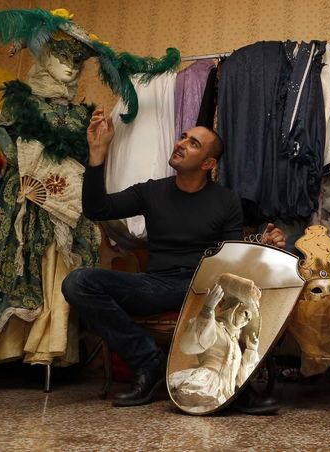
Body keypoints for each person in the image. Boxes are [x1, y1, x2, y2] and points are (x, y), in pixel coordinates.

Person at [61, 107, 286, 408]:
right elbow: (97, 209)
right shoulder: (151, 192)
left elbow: (232, 257)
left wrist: (264, 245)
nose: (181, 143)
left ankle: (234, 384)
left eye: (193, 143)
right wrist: (97, 154)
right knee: (78, 282)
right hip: (157, 285)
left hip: (203, 288)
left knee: (235, 291)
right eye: (183, 137)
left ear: (208, 163)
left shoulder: (226, 200)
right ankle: (149, 362)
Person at [169, 274, 262, 413]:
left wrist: (251, 350)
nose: (246, 321)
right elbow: (188, 346)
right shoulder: (213, 327)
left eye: (249, 318)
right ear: (233, 309)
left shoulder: (234, 341)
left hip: (227, 391)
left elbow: (240, 377)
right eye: (245, 314)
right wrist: (207, 311)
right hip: (207, 384)